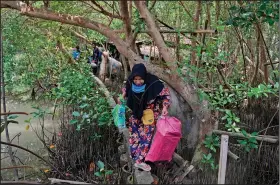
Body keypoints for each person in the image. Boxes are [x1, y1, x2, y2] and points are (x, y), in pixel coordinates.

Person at [119, 63, 171, 171]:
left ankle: (139, 161)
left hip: (149, 115)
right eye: (136, 79)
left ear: (144, 76)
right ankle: (135, 156)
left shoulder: (153, 83)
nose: (138, 82)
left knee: (145, 138)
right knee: (134, 135)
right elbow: (125, 88)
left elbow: (165, 95)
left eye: (140, 79)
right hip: (136, 114)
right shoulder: (130, 81)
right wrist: (123, 95)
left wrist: (165, 107)